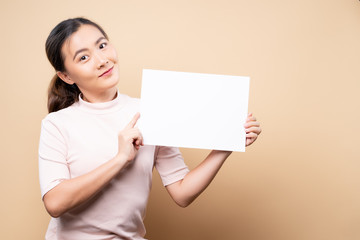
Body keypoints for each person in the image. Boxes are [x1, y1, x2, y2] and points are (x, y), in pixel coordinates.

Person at [38, 17, 262, 240]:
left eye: (102, 45)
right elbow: (55, 203)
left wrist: (226, 143)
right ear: (66, 76)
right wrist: (120, 159)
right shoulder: (57, 124)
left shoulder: (151, 111)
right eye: (84, 57)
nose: (102, 60)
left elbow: (182, 193)